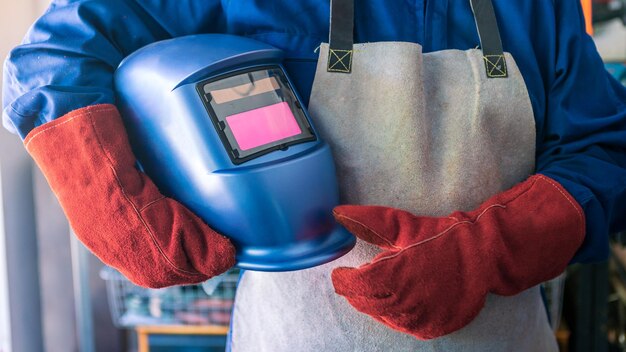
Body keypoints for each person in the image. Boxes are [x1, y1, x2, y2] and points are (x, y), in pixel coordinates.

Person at [3, 0, 626, 351]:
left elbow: (605, 149)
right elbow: (54, 55)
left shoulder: (537, 8)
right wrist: (110, 199)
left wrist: (490, 247)